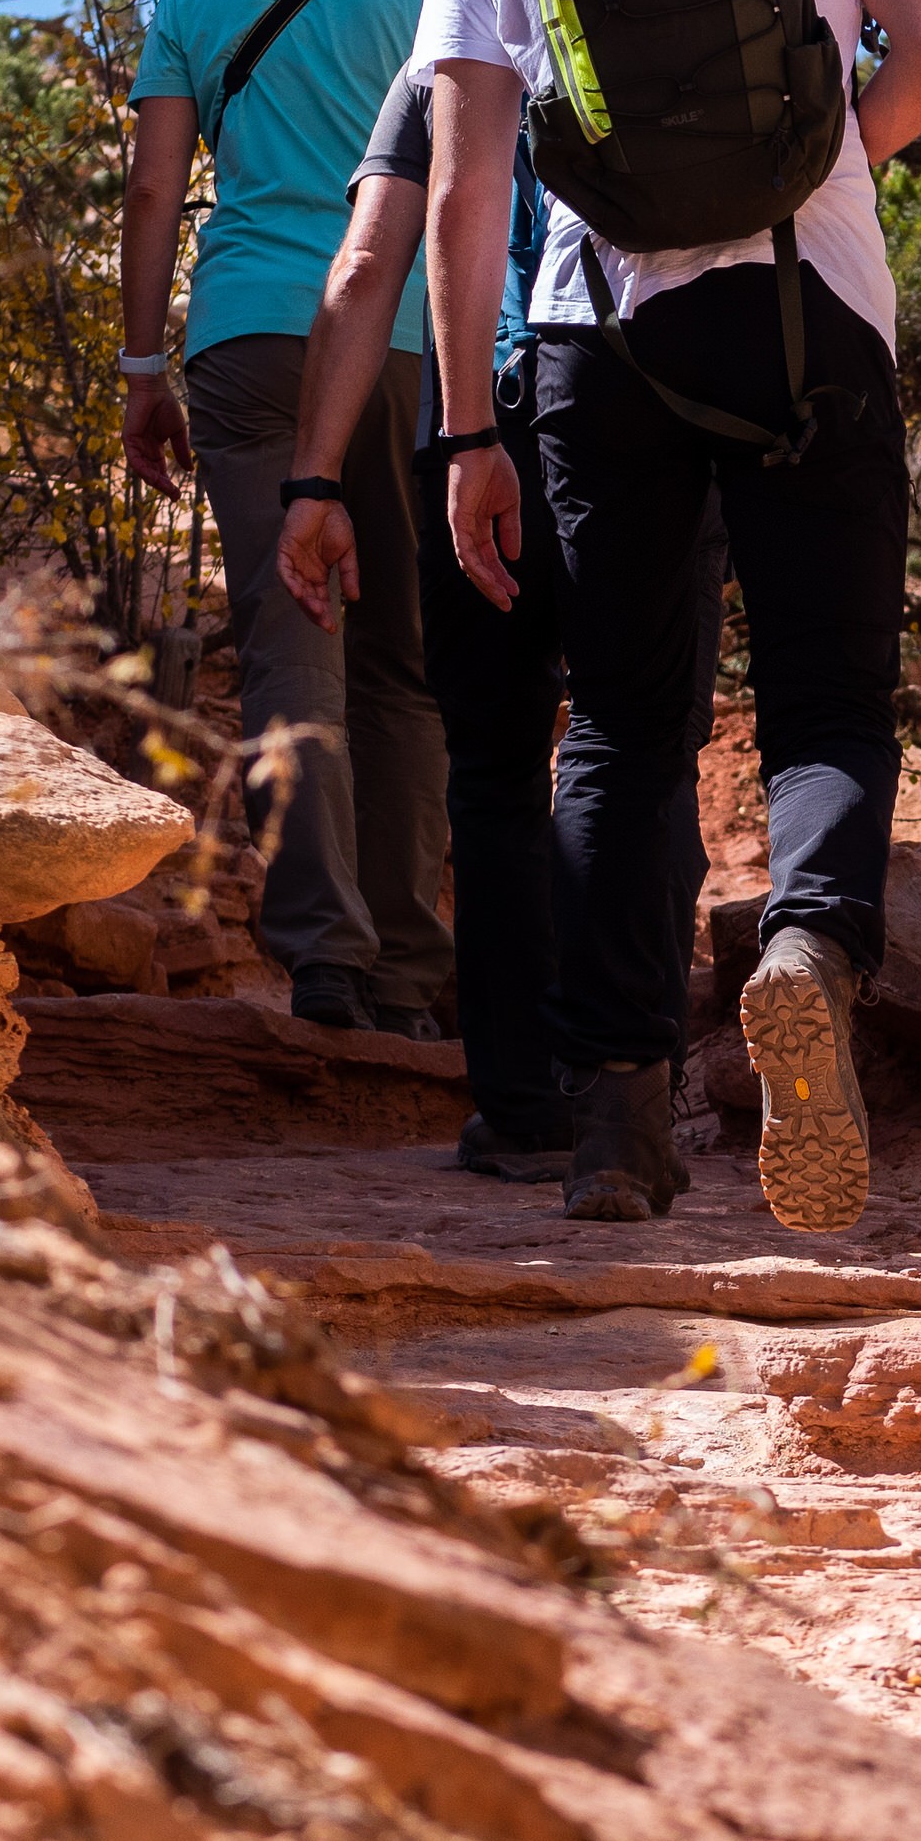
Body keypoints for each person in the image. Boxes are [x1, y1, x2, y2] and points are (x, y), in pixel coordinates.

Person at [280, 0, 921, 1228]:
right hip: (812, 311)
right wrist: (824, 174)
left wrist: (464, 431)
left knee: (620, 726)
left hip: (598, 343)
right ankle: (806, 942)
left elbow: (461, 193)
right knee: (821, 702)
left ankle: (616, 1120)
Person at [287, 73, 726, 1182]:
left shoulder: (440, 68)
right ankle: (628, 1092)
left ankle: (523, 1104)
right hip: (654, 427)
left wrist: (314, 477)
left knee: (491, 775)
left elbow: (364, 265)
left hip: (477, 434)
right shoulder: (668, 24)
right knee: (645, 744)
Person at [118, 0, 454, 1036]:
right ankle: (418, 972)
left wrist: (143, 364)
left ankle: (324, 957)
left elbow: (154, 190)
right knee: (403, 668)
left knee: (287, 638)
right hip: (408, 347)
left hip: (249, 341)